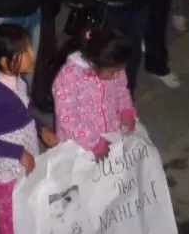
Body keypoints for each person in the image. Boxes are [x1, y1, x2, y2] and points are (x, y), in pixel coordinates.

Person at [0, 25, 58, 234]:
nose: (33, 54)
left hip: (25, 161)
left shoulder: (18, 82)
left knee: (27, 209)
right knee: (9, 222)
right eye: (25, 51)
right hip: (7, 174)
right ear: (5, 61)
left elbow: (24, 115)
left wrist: (41, 128)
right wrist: (18, 153)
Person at [53, 27, 136, 158]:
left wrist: (126, 110)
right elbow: (66, 116)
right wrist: (94, 142)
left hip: (109, 130)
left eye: (120, 70)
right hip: (79, 142)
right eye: (113, 72)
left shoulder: (114, 66)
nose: (116, 76)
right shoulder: (69, 77)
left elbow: (121, 89)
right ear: (94, 63)